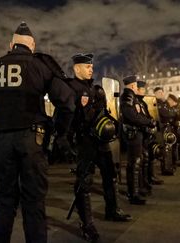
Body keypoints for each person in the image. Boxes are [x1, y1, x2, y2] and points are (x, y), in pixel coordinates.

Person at [0, 22, 75, 243]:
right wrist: (58, 132)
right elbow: (68, 103)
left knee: (4, 201)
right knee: (33, 202)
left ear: (11, 45)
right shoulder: (42, 66)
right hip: (34, 139)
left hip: (3, 140)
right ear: (32, 46)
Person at [67, 53, 131, 242]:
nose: (91, 69)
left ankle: (112, 210)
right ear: (77, 68)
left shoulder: (96, 89)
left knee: (110, 175)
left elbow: (103, 112)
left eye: (91, 66)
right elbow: (69, 115)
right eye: (87, 66)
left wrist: (115, 125)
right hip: (85, 142)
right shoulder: (71, 88)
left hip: (101, 141)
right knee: (84, 183)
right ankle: (87, 224)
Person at [121, 75, 156, 206]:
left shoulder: (133, 97)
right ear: (132, 86)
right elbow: (131, 115)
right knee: (134, 164)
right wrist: (148, 122)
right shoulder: (127, 96)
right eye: (136, 86)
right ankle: (133, 193)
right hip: (133, 133)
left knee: (138, 162)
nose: (137, 88)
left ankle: (139, 188)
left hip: (138, 133)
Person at [137, 81, 163, 188]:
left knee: (150, 156)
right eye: (142, 89)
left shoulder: (142, 102)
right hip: (141, 133)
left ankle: (149, 177)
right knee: (143, 159)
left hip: (148, 132)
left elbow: (147, 115)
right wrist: (149, 123)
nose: (144, 91)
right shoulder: (137, 102)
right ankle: (144, 181)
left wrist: (151, 121)